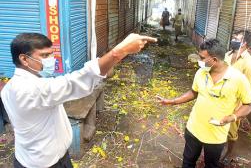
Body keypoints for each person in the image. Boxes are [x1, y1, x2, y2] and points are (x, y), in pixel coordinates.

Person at [1, 33, 156, 168]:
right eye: (44, 56)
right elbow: (75, 82)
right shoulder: (31, 90)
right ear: (24, 59)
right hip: (45, 163)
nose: (51, 60)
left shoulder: (13, 85)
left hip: (43, 157)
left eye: (51, 54)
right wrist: (119, 52)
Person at [157, 39, 251, 168]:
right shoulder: (201, 73)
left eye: (202, 58)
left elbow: (249, 104)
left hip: (216, 136)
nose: (199, 61)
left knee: (211, 165)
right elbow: (193, 92)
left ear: (214, 60)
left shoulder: (238, 79)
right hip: (194, 129)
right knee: (188, 161)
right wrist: (172, 101)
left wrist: (233, 117)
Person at [221, 30, 251, 162]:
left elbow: (248, 90)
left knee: (231, 131)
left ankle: (229, 153)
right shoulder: (227, 54)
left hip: (235, 105)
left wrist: (239, 112)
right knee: (219, 125)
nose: (233, 40)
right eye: (234, 37)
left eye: (237, 38)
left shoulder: (250, 64)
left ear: (245, 43)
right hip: (221, 98)